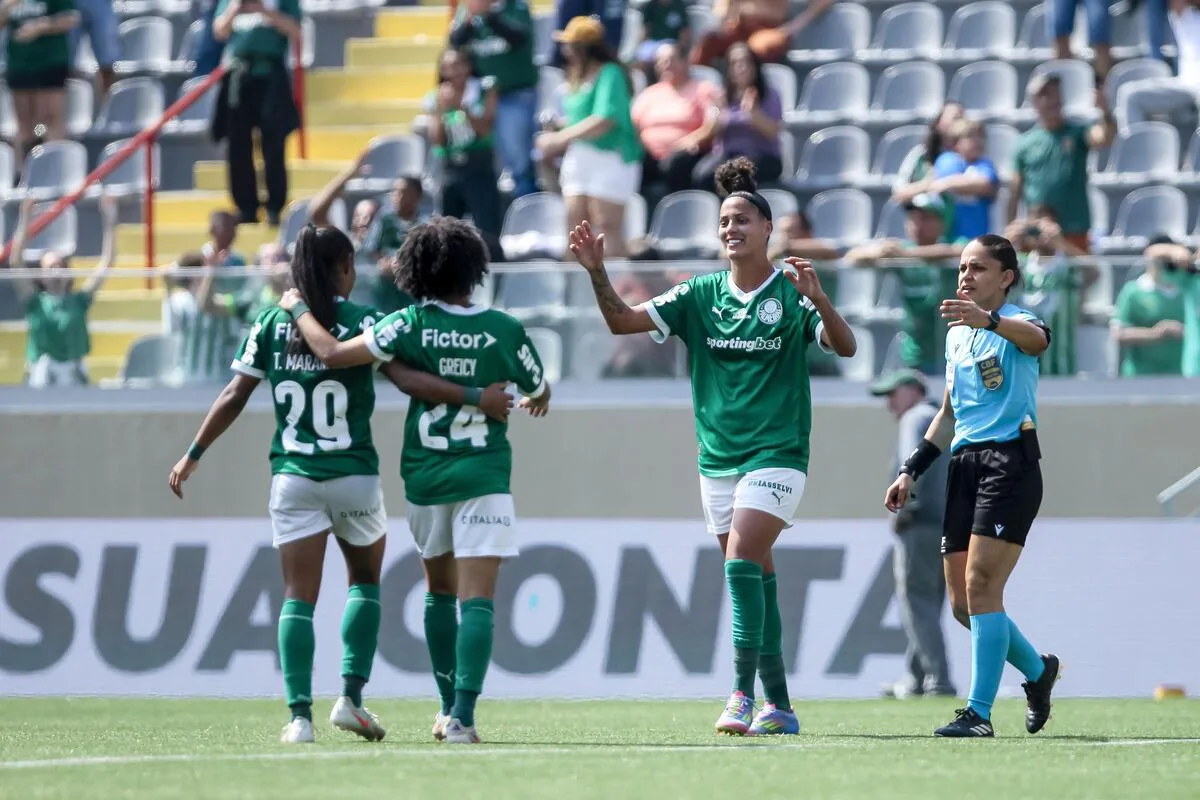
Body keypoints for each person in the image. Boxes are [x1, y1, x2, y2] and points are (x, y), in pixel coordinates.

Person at [167, 224, 513, 744]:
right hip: (352, 475)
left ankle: (299, 718)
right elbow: (408, 379)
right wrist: (471, 394)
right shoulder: (363, 321)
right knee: (364, 583)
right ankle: (351, 697)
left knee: (296, 597)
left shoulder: (269, 322)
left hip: (293, 477)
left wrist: (193, 452)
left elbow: (235, 393)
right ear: (344, 269)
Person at [569, 157, 857, 735]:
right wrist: (598, 272)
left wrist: (820, 299)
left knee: (740, 562)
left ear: (767, 229)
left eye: (743, 219)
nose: (731, 228)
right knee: (757, 576)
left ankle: (740, 696)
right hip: (716, 459)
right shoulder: (698, 294)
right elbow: (623, 323)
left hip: (777, 453)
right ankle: (781, 704)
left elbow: (844, 347)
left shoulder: (792, 291)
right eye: (724, 220)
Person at [279, 216, 551, 745]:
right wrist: (523, 399)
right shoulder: (505, 328)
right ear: (473, 270)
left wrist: (295, 308)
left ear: (417, 269)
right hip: (484, 475)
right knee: (478, 601)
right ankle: (462, 721)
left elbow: (334, 354)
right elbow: (539, 389)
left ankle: (447, 703)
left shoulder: (405, 325)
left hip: (425, 479)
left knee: (440, 595)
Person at [884, 234, 1061, 738]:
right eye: (962, 267)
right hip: (963, 464)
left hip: (1009, 461)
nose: (965, 275)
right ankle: (1037, 670)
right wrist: (910, 469)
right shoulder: (956, 335)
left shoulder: (1019, 322)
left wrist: (990, 321)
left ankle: (978, 714)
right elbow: (947, 412)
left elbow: (1039, 341)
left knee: (983, 588)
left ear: (1006, 277)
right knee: (963, 605)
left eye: (978, 268)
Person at [869, 369, 955, 700]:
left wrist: (906, 511)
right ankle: (917, 678)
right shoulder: (939, 418)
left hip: (920, 524)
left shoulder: (916, 418)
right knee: (929, 605)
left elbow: (911, 467)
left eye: (893, 394)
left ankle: (938, 680)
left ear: (912, 390)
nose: (889, 403)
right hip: (947, 524)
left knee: (916, 602)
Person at [536, 16, 642, 259]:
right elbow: (581, 119)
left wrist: (559, 139)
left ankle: (613, 291)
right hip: (580, 158)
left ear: (583, 48)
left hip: (611, 158)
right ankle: (575, 291)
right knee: (575, 228)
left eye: (570, 45)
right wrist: (559, 128)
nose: (565, 50)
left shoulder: (611, 73)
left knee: (606, 226)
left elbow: (605, 119)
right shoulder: (576, 76)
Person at [5, 194, 116, 387]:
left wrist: (110, 221)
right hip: (43, 373)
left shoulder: (79, 301)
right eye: (50, 268)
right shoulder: (35, 302)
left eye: (61, 267)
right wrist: (25, 219)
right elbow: (15, 260)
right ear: (40, 277)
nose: (56, 272)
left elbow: (107, 262)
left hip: (73, 371)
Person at [211, 0, 302, 227]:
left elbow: (294, 29)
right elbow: (219, 31)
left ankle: (274, 206)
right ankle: (246, 207)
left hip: (271, 72)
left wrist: (264, 9)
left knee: (273, 142)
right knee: (237, 144)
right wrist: (235, 8)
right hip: (239, 72)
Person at [1009, 74, 1116, 254]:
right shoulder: (1025, 142)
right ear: (1035, 101)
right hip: (1037, 232)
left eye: (1055, 93)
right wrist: (1011, 227)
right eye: (1045, 95)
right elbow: (1014, 191)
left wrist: (1105, 112)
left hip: (1074, 226)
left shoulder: (1077, 132)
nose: (1052, 100)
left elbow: (1104, 138)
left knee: (1080, 276)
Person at [449, 0, 539, 197]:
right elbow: (455, 42)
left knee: (519, 164)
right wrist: (470, 21)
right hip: (480, 97)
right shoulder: (468, 12)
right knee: (485, 164)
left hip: (514, 95)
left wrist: (489, 15)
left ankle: (527, 210)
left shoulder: (517, 7)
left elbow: (518, 39)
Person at [428, 48, 503, 245]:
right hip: (450, 168)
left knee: (487, 230)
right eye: (449, 67)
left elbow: (486, 130)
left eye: (459, 64)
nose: (455, 71)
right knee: (446, 234)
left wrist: (462, 108)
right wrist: (441, 110)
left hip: (479, 165)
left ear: (469, 66)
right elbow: (437, 140)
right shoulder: (438, 97)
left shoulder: (484, 89)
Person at [690, 43, 784, 190]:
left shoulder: (769, 95)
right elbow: (710, 130)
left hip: (761, 156)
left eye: (746, 62)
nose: (742, 67)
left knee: (737, 177)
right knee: (703, 175)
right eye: (735, 63)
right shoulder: (720, 97)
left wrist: (753, 113)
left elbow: (773, 132)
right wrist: (718, 115)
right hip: (727, 156)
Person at [1, 0, 78, 169]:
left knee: (51, 118)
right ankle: (24, 175)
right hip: (19, 63)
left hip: (51, 61)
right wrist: (6, 8)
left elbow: (71, 18)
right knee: (24, 125)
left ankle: (57, 172)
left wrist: (41, 26)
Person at [1112, 235, 1190, 376]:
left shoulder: (1188, 289)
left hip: (1182, 377)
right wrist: (1156, 334)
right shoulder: (1133, 291)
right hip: (1140, 378)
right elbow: (1119, 333)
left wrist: (1184, 332)